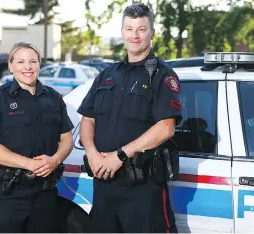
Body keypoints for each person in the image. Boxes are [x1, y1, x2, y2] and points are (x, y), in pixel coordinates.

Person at [78, 3, 182, 233]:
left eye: (141, 29)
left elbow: (166, 128)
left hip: (142, 188)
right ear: (122, 32)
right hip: (103, 183)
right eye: (129, 28)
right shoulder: (106, 75)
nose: (135, 35)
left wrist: (121, 155)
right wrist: (91, 153)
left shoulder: (162, 75)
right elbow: (87, 119)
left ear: (152, 33)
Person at [0, 42, 74, 233]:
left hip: (45, 193)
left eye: (32, 61)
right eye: (20, 62)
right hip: (8, 193)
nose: (27, 67)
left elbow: (66, 139)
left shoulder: (53, 98)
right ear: (11, 66)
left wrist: (55, 160)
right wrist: (28, 164)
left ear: (39, 64)